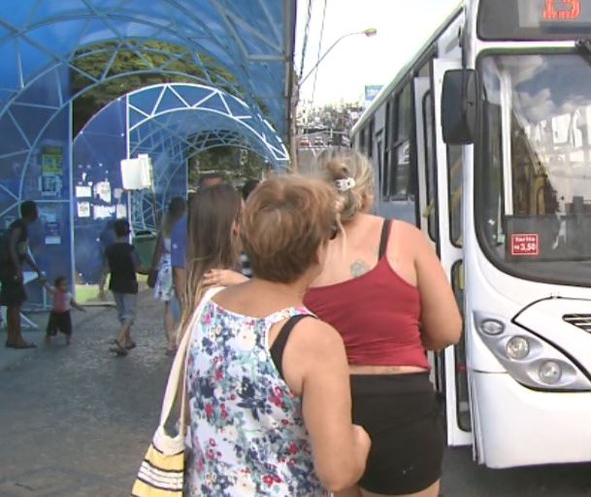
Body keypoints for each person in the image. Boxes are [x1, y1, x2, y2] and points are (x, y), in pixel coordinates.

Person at [184, 174, 370, 495]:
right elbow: (337, 474)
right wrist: (360, 441)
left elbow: (192, 412)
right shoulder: (313, 339)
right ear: (316, 252)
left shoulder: (208, 306)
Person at [303, 147, 462, 497]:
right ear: (368, 193)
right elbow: (448, 331)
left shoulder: (302, 249)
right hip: (401, 409)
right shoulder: (405, 238)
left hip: (327, 408)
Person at [169, 172, 224, 324]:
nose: (215, 197)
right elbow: (179, 272)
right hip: (199, 303)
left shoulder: (235, 222)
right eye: (210, 192)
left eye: (219, 191)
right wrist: (187, 312)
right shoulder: (184, 225)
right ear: (199, 194)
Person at [1, 200, 44, 349]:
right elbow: (13, 247)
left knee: (12, 304)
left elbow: (23, 252)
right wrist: (18, 269)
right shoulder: (21, 226)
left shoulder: (18, 225)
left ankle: (11, 338)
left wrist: (36, 270)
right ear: (32, 212)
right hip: (10, 270)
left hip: (6, 269)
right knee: (15, 305)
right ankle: (17, 338)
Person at [106, 219, 148, 356]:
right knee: (129, 314)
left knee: (122, 313)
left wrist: (101, 286)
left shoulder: (110, 249)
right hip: (129, 284)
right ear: (128, 233)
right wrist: (152, 270)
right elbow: (138, 267)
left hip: (115, 284)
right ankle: (120, 339)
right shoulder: (130, 249)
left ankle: (127, 341)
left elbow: (106, 268)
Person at [150, 197, 185, 355]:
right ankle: (179, 339)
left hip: (165, 267)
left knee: (168, 307)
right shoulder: (185, 227)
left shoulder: (165, 228)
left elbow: (158, 251)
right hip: (182, 266)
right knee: (184, 304)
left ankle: (170, 341)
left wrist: (153, 269)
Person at [42, 276, 85, 345]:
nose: (64, 287)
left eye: (65, 284)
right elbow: (48, 288)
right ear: (57, 286)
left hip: (65, 313)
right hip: (55, 313)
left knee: (67, 327)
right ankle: (48, 337)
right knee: (51, 327)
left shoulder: (69, 294)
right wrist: (44, 283)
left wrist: (80, 308)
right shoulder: (56, 291)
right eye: (62, 285)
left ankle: (68, 338)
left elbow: (73, 303)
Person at [97, 219, 116, 301]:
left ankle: (101, 291)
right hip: (112, 255)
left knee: (104, 274)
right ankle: (106, 292)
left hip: (105, 255)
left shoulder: (103, 233)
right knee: (113, 274)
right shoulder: (113, 233)